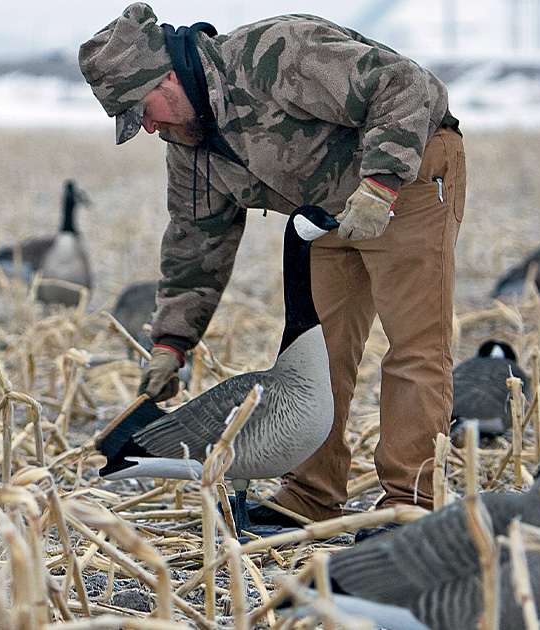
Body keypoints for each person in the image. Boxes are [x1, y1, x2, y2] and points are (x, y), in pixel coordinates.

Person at [80, 3, 466, 535]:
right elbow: (196, 244)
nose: (147, 127)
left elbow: (406, 86)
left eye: (142, 110)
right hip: (326, 215)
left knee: (414, 348)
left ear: (166, 77)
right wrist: (172, 343)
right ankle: (311, 495)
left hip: (409, 178)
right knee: (315, 358)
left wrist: (380, 184)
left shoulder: (276, 54)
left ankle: (412, 506)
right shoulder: (189, 145)